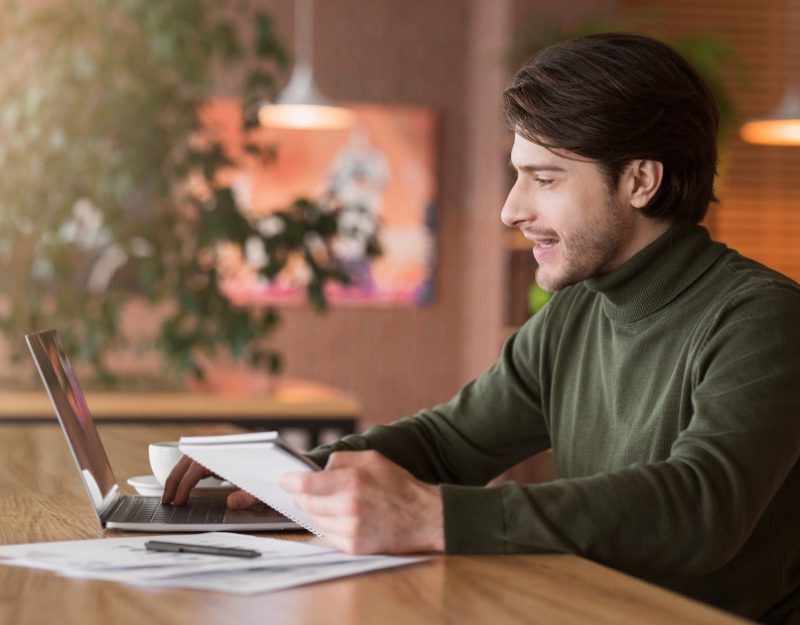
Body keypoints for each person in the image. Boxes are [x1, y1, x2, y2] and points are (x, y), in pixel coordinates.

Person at [162, 33, 800, 624]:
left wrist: (436, 518)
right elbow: (447, 443)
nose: (511, 208)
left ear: (640, 180)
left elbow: (701, 507)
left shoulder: (763, 318)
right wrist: (287, 481)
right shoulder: (577, 314)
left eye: (544, 179)